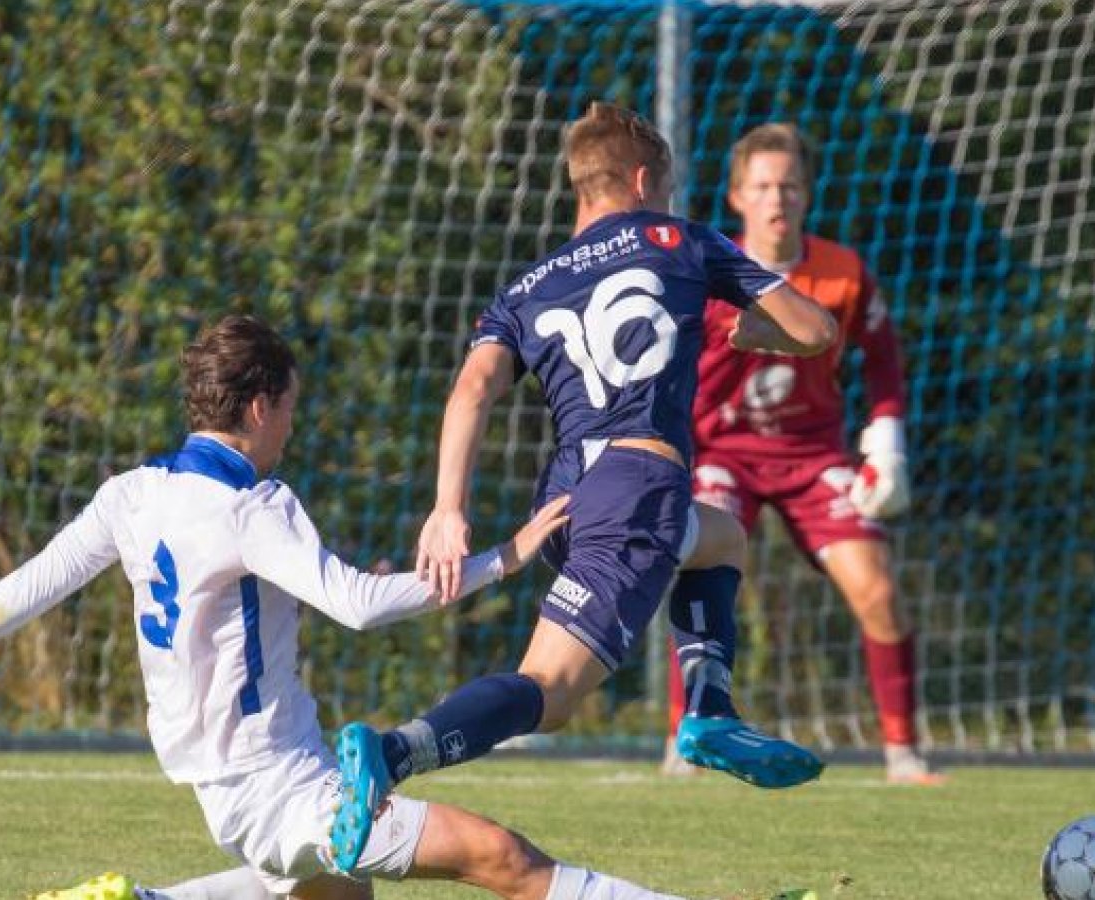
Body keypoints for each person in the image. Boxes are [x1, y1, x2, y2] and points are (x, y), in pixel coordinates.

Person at [0, 314, 727, 900]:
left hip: (228, 791)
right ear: (257, 406)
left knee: (334, 896)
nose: (291, 423)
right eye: (288, 406)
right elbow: (359, 605)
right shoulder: (254, 505)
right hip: (288, 787)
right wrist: (506, 557)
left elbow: (29, 587)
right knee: (504, 860)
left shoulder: (131, 494)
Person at [327, 103, 842, 875]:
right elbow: (816, 329)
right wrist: (757, 332)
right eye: (663, 188)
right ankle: (393, 752)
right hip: (638, 484)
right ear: (641, 182)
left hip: (567, 496)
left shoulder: (525, 288)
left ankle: (708, 710)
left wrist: (447, 507)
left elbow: (472, 388)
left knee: (721, 538)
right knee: (549, 691)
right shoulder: (683, 240)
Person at [668, 122, 941, 786]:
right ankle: (685, 740)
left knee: (877, 590)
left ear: (808, 193)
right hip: (724, 453)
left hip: (813, 456)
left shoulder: (843, 274)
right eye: (763, 186)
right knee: (700, 574)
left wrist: (886, 444)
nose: (777, 198)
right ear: (737, 196)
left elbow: (883, 362)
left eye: (789, 185)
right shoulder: (706, 271)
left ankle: (903, 753)